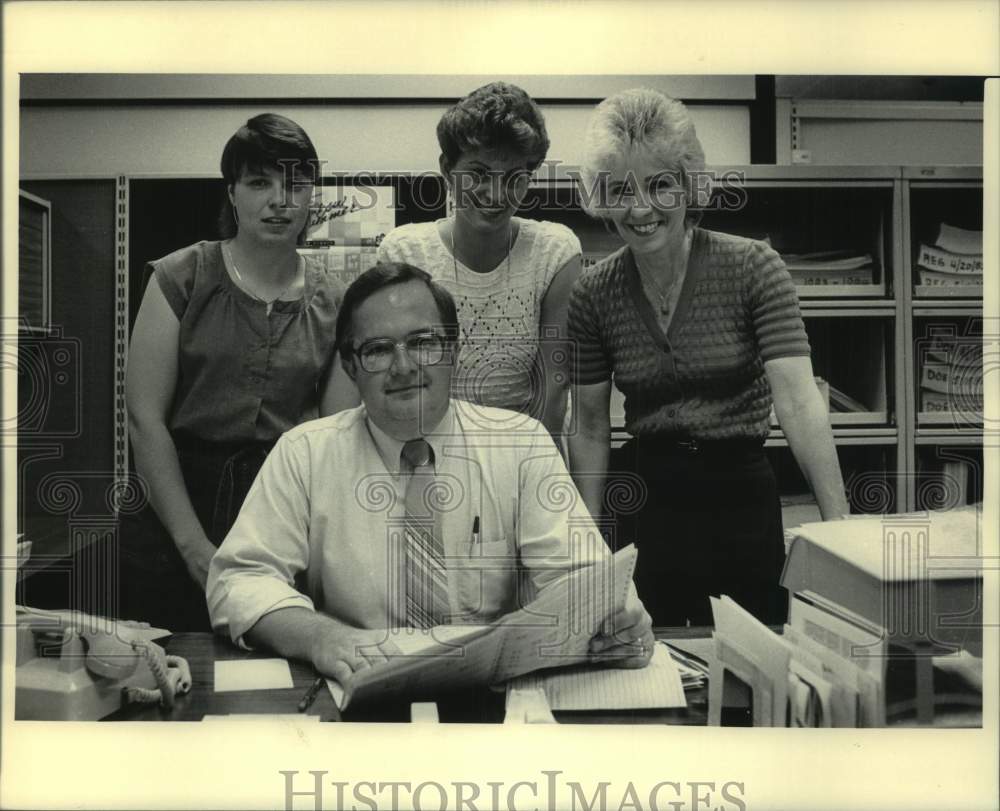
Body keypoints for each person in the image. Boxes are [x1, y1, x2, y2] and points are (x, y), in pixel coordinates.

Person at [206, 262, 653, 686]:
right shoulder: (304, 453)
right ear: (350, 367)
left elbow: (581, 577)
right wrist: (320, 636)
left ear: (454, 350)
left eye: (423, 342)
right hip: (356, 692)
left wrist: (611, 618)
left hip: (491, 700)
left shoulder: (521, 445)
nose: (404, 367)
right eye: (378, 350)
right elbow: (240, 581)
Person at [567, 88, 849, 627]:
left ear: (689, 185)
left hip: (740, 495)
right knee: (658, 656)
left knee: (752, 654)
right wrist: (586, 543)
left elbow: (797, 401)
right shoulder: (593, 294)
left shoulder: (753, 268)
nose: (641, 208)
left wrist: (837, 528)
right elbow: (589, 427)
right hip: (649, 503)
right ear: (603, 197)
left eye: (660, 184)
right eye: (621, 189)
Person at [121, 113, 358, 631]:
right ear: (232, 193)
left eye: (295, 184)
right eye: (259, 183)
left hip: (278, 505)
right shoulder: (180, 276)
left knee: (272, 669)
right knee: (167, 665)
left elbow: (334, 439)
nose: (280, 199)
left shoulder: (336, 302)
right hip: (174, 502)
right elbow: (144, 418)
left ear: (312, 194)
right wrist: (192, 545)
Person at [377, 81, 581, 439]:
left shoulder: (553, 253)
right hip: (426, 448)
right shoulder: (405, 253)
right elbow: (394, 381)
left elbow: (553, 392)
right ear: (447, 168)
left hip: (523, 450)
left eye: (515, 177)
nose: (496, 194)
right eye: (479, 174)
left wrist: (521, 470)